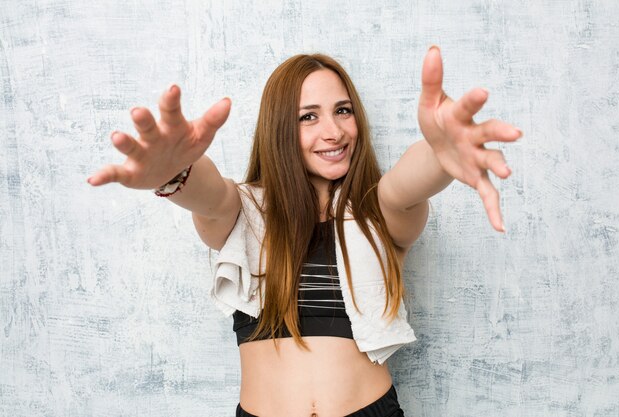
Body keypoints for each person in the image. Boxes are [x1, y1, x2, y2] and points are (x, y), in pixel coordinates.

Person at [88, 47, 521, 417]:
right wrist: (175, 171)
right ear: (280, 129)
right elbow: (210, 194)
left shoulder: (376, 210)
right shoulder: (244, 214)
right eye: (308, 117)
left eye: (343, 111)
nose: (333, 132)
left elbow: (406, 183)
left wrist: (439, 152)